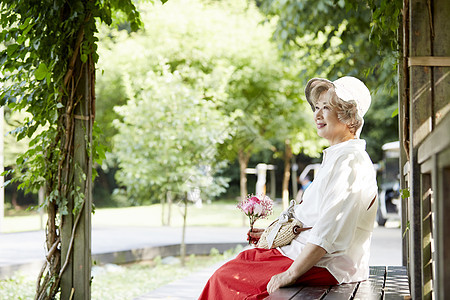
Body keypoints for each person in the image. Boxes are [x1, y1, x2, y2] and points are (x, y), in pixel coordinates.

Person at [199, 76, 378, 299]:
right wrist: (274, 233)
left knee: (228, 280)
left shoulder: (350, 162)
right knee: (241, 261)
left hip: (328, 265)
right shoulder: (339, 156)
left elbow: (327, 231)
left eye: (327, 107)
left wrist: (289, 274)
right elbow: (315, 219)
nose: (317, 114)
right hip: (307, 254)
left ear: (348, 115)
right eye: (317, 107)